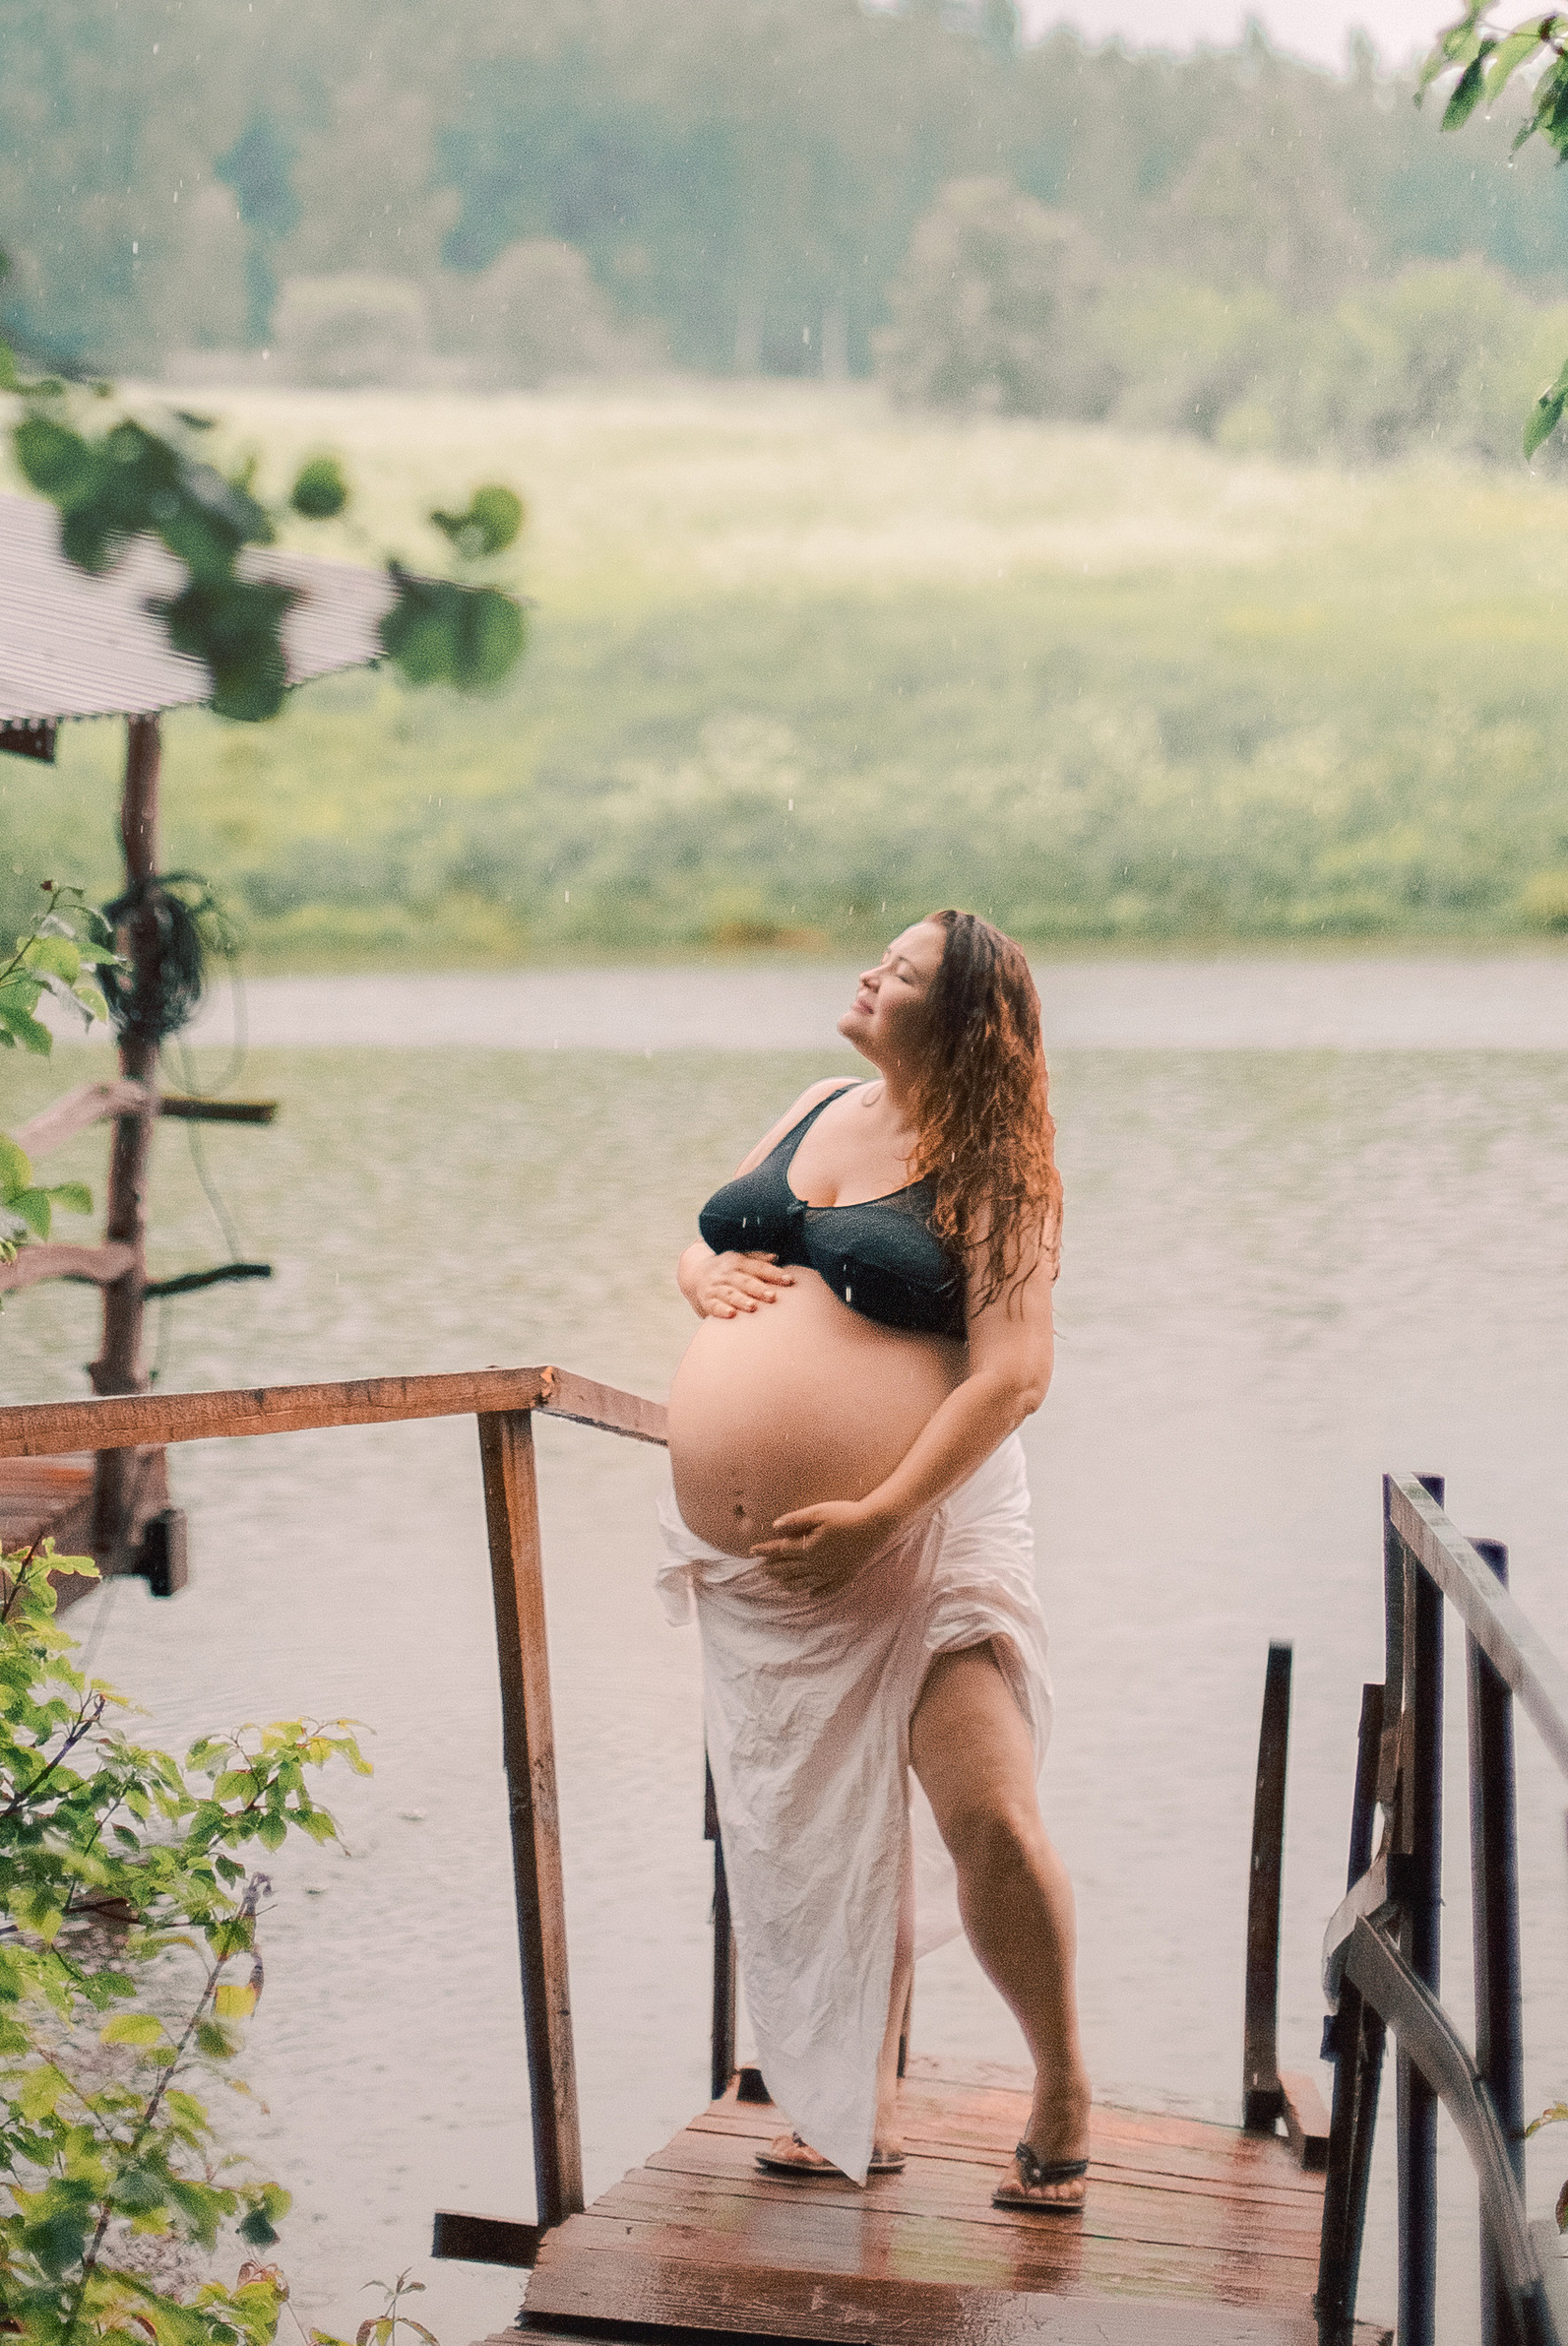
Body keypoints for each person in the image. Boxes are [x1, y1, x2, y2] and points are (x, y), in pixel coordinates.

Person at [658, 909, 1089, 2208]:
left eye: (901, 974)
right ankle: (859, 2099)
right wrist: (696, 1277)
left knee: (986, 1818)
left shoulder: (997, 1164)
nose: (868, 976)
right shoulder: (818, 1101)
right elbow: (718, 1239)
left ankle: (1062, 2085)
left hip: (924, 1530)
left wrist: (880, 1511)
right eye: (881, 959)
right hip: (769, 1575)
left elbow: (1015, 1376)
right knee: (807, 1830)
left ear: (961, 1021)